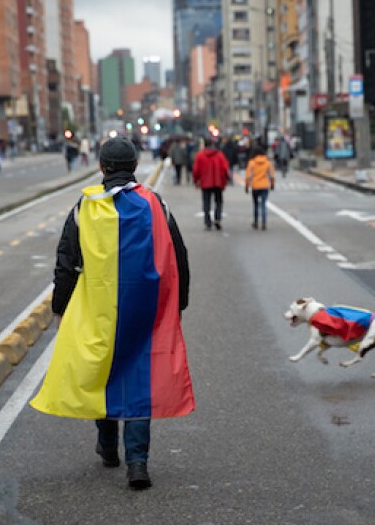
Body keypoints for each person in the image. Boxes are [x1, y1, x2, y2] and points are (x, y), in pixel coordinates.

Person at [31, 137, 193, 491]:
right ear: (134, 166)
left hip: (97, 311)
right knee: (139, 379)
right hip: (147, 311)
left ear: (102, 167)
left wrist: (60, 307)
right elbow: (178, 257)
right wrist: (178, 304)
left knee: (101, 375)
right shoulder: (155, 204)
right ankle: (138, 463)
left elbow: (66, 264)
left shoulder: (84, 208)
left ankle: (107, 447)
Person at [192, 138, 230, 230]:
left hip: (205, 182)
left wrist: (196, 180)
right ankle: (217, 218)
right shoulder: (219, 155)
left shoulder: (200, 155)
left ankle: (207, 222)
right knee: (219, 201)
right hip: (218, 182)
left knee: (206, 202)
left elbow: (196, 170)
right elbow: (225, 168)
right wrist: (226, 179)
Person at [245, 145, 275, 230]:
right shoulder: (267, 162)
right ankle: (264, 222)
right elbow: (271, 175)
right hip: (265, 185)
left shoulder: (251, 162)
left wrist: (247, 186)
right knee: (263, 204)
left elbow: (248, 176)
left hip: (255, 186)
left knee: (255, 204)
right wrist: (272, 184)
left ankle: (255, 222)